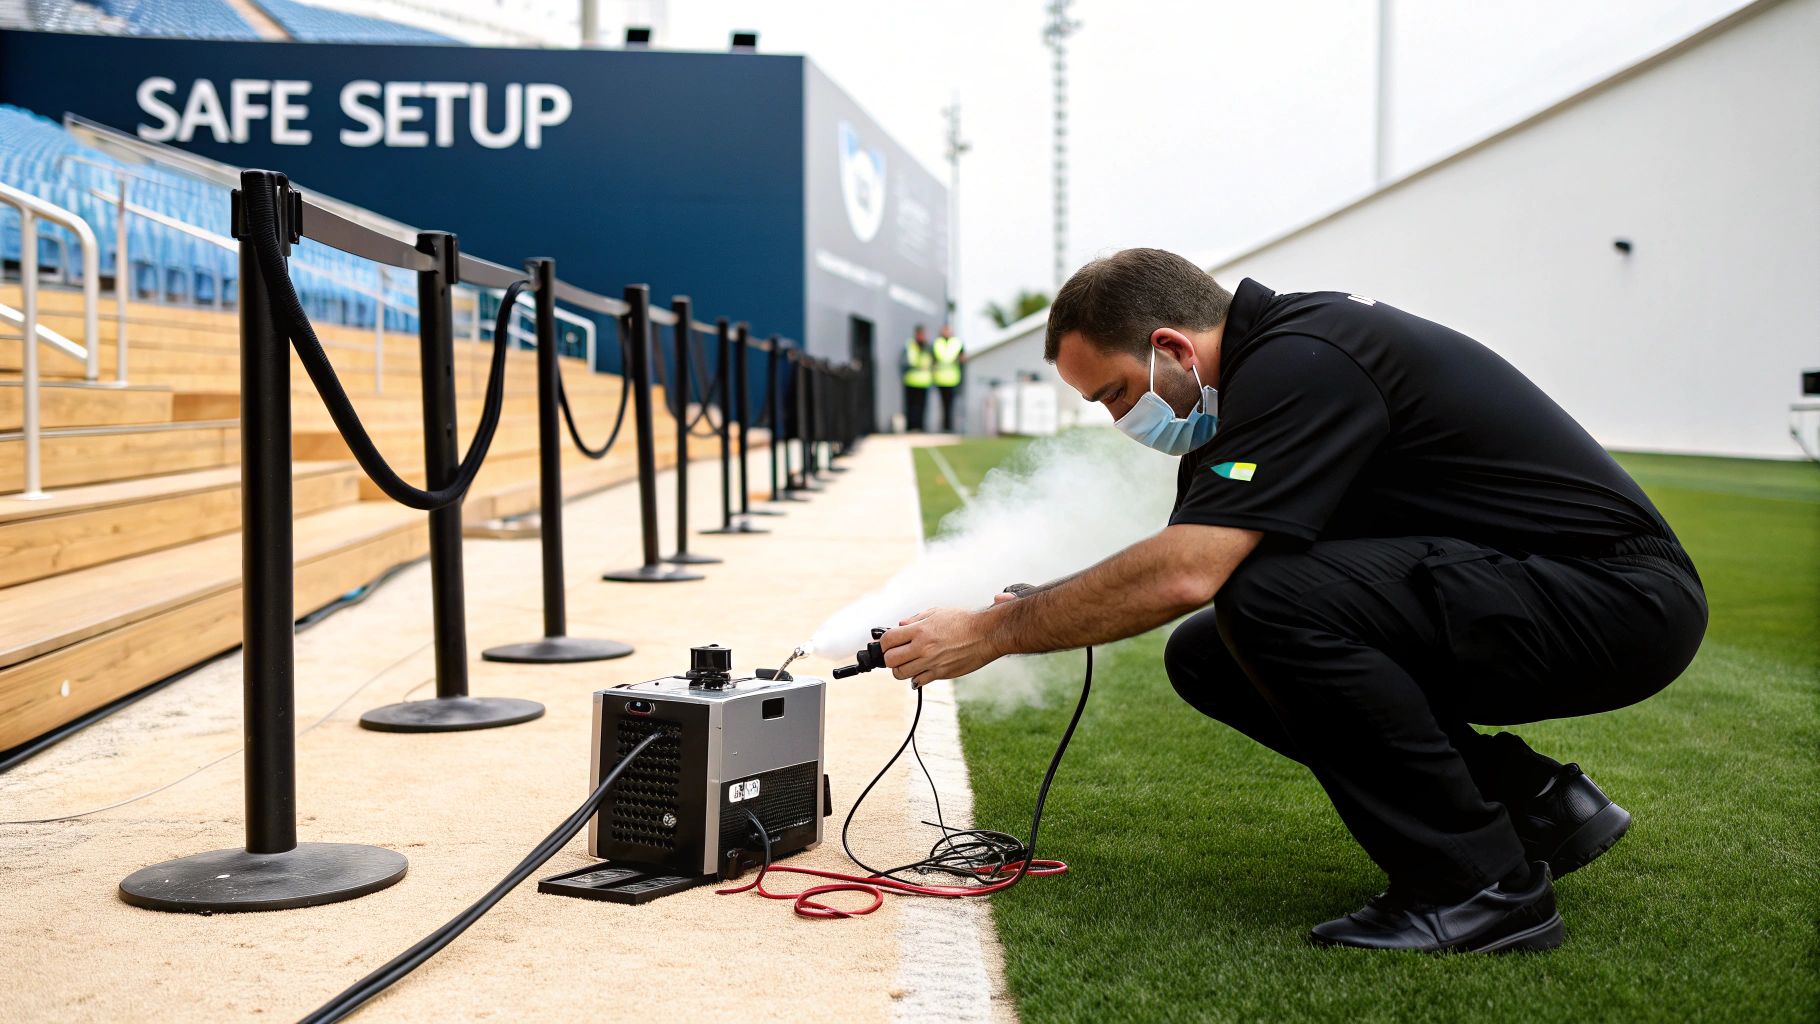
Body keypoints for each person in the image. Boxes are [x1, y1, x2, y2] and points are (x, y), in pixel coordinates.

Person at [878, 248, 1707, 954]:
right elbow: (1189, 563)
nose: (1118, 419)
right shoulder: (1259, 380)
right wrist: (1038, 599)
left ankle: (1481, 887)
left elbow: (1186, 573)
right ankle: (1535, 807)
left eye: (1117, 393)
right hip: (1537, 586)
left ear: (1172, 347)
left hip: (1618, 599)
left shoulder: (1301, 360)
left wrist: (994, 632)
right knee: (1207, 653)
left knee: (1270, 603)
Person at [932, 323, 966, 432]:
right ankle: (943, 427)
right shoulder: (937, 343)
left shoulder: (957, 343)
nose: (946, 332)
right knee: (942, 405)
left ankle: (949, 427)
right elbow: (932, 360)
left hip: (953, 379)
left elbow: (963, 358)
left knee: (951, 405)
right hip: (940, 379)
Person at [902, 325, 933, 432]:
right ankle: (910, 427)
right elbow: (904, 362)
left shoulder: (928, 347)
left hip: (924, 381)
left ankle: (920, 427)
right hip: (911, 380)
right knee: (910, 406)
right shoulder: (910, 345)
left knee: (922, 407)